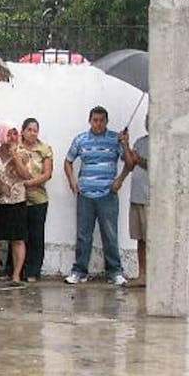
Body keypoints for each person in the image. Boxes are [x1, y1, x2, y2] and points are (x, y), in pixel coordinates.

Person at [63, 106, 129, 286]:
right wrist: (72, 181)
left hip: (108, 194)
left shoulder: (116, 139)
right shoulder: (81, 139)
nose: (98, 124)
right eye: (95, 120)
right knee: (83, 235)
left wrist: (125, 144)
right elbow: (68, 161)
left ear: (106, 121)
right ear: (90, 121)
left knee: (110, 234)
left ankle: (115, 272)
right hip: (85, 195)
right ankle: (79, 272)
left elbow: (129, 162)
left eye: (101, 120)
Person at [0, 124, 31, 286]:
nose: (12, 137)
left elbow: (26, 175)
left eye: (15, 134)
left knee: (17, 239)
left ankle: (16, 275)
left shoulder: (23, 154)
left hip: (16, 201)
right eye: (9, 134)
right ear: (1, 135)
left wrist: (15, 157)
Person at [19, 117, 53, 282]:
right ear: (23, 131)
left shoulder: (44, 149)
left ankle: (33, 270)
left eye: (35, 130)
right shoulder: (17, 149)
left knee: (36, 236)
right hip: (18, 199)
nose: (32, 133)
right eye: (29, 130)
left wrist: (30, 183)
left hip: (38, 199)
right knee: (19, 235)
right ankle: (17, 269)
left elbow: (47, 174)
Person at [123, 116, 148, 287]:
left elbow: (157, 165)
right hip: (137, 196)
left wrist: (139, 159)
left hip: (151, 199)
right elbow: (131, 165)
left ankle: (154, 274)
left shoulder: (163, 141)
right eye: (147, 119)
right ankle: (142, 275)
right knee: (140, 238)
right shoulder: (140, 141)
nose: (148, 122)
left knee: (151, 238)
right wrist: (125, 144)